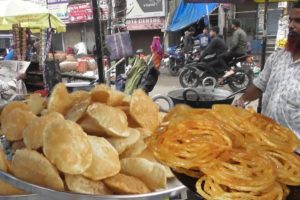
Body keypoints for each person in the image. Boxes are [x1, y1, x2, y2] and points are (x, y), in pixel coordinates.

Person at [234, 1, 300, 141]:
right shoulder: (278, 57)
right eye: (290, 20)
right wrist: (242, 100)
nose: (290, 26)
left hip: (295, 151)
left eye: (298, 21)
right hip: (266, 141)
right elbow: (260, 84)